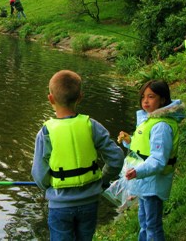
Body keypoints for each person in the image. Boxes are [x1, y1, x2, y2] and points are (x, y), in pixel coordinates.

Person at [32, 70, 124, 241]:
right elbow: (117, 158)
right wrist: (102, 180)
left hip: (60, 206)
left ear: (50, 98)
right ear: (80, 97)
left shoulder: (45, 133)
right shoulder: (92, 126)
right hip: (90, 202)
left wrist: (48, 187)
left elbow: (38, 174)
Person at [117, 80, 184, 241]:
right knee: (144, 220)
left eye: (151, 97)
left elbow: (158, 159)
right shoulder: (150, 120)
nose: (145, 101)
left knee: (152, 225)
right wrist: (129, 141)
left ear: (162, 100)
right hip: (145, 181)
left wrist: (138, 171)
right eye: (143, 97)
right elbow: (145, 148)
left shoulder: (161, 126)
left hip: (153, 182)